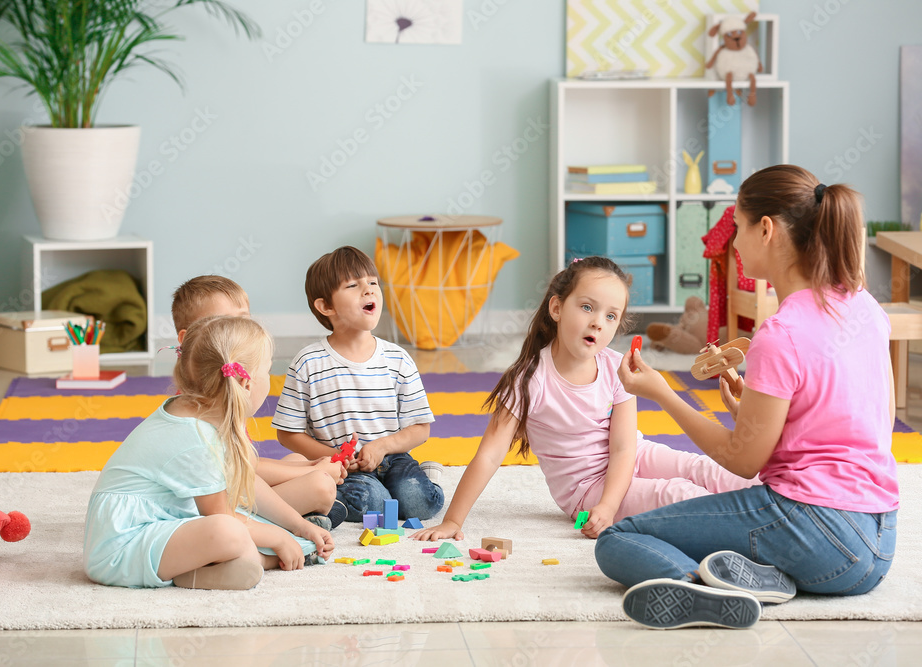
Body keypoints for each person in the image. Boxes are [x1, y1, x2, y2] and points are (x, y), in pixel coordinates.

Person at [599, 165, 899, 630]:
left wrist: (663, 392)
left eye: (737, 227)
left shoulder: (781, 333)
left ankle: (701, 590)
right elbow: (862, 423)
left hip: (815, 531)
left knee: (620, 539)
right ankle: (767, 576)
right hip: (878, 546)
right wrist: (756, 413)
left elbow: (741, 461)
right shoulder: (865, 306)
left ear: (766, 229)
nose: (734, 242)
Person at [413, 256, 755, 543]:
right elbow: (488, 456)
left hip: (633, 457)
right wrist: (453, 521)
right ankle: (753, 530)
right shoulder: (528, 379)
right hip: (586, 491)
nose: (597, 323)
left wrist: (612, 501)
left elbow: (624, 449)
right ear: (557, 308)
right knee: (675, 494)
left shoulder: (615, 368)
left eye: (610, 316)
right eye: (587, 307)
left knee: (701, 468)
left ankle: (778, 499)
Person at [84, 316, 334, 590]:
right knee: (230, 531)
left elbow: (246, 482)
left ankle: (237, 561)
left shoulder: (205, 413)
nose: (270, 379)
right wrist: (278, 537)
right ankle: (259, 560)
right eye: (268, 370)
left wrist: (298, 526)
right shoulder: (196, 437)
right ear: (246, 383)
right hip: (121, 550)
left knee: (249, 521)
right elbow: (222, 517)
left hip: (165, 522)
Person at [271, 246, 445, 523]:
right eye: (353, 285)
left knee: (420, 504)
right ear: (326, 306)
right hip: (343, 468)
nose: (369, 290)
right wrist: (333, 457)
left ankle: (430, 475)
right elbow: (287, 434)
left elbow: (420, 428)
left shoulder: (398, 359)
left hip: (393, 457)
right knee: (372, 502)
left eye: (373, 283)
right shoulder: (307, 363)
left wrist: (381, 447)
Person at [171, 275, 348, 530]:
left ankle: (301, 513)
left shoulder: (226, 389)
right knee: (320, 485)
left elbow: (246, 467)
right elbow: (241, 473)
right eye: (223, 324)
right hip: (211, 508)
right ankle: (292, 521)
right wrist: (311, 473)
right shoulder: (200, 407)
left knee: (298, 460)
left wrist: (309, 466)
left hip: (235, 485)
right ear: (189, 339)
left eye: (243, 321)